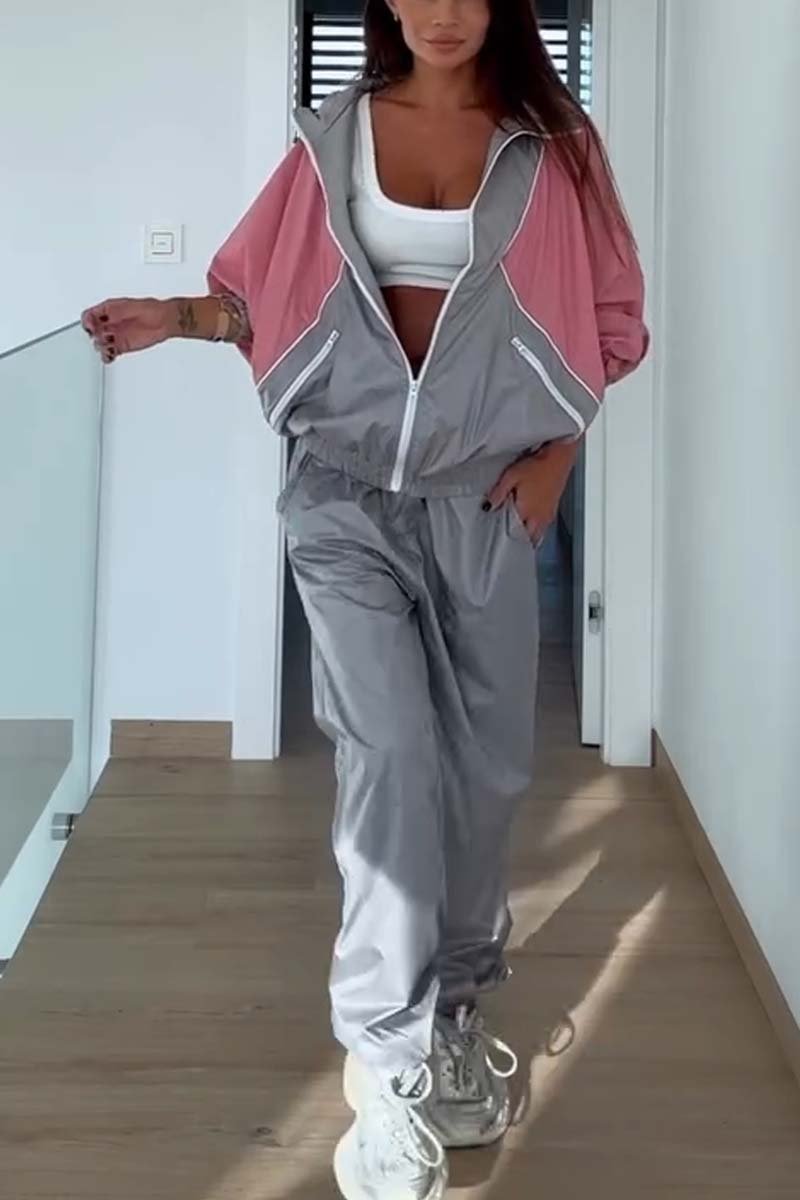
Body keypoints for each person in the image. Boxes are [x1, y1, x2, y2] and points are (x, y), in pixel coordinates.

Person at [82, 1, 649, 1196]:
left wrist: (558, 455)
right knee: (388, 756)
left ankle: (454, 1014)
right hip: (340, 500)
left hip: (482, 503)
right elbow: (257, 296)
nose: (440, 12)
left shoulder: (557, 145)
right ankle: (386, 1067)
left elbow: (609, 322)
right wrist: (174, 318)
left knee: (485, 774)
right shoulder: (333, 136)